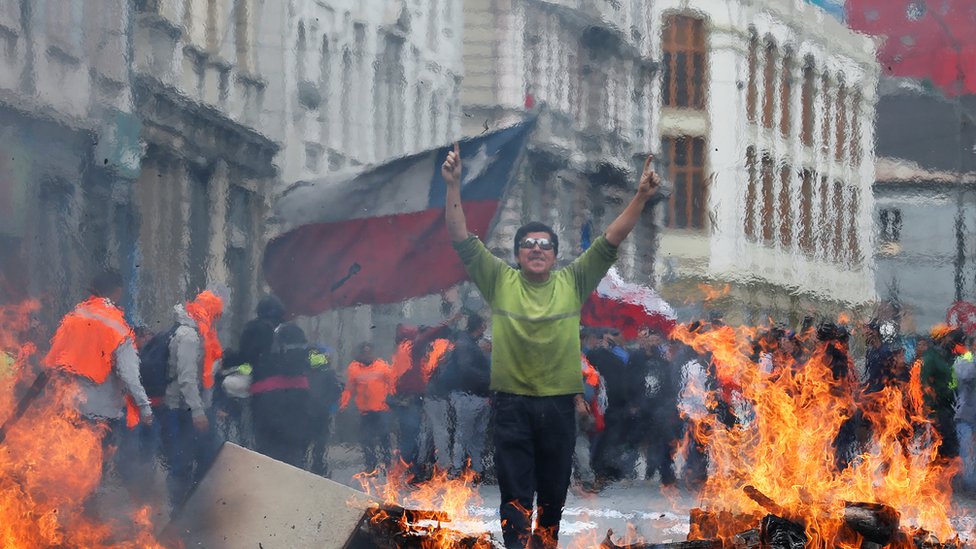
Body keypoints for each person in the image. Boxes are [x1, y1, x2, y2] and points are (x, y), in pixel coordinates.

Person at [442, 143, 659, 548]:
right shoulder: (499, 280)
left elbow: (611, 238)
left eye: (545, 245)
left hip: (559, 406)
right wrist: (453, 185)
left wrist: (641, 197)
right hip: (511, 405)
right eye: (529, 244)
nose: (537, 250)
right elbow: (461, 238)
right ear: (517, 254)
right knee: (515, 493)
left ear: (556, 255)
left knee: (553, 494)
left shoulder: (572, 281)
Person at [44, 271, 154, 495]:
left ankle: (67, 509)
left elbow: (52, 362)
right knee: (93, 474)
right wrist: (144, 407)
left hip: (69, 407)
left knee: (70, 468)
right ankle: (87, 510)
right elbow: (130, 375)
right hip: (100, 414)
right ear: (117, 291)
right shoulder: (117, 326)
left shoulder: (74, 317)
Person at [160, 290, 225, 507]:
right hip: (181, 410)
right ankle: (178, 509)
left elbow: (203, 376)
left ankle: (192, 504)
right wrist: (198, 412)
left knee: (208, 456)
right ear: (209, 312)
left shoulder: (198, 333)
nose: (216, 320)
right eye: (216, 315)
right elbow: (187, 378)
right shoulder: (188, 335)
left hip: (192, 409)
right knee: (182, 462)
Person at [249, 323, 312, 468]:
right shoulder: (303, 367)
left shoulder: (266, 361)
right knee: (294, 459)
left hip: (270, 408)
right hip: (296, 412)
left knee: (269, 458)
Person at [340, 342, 395, 473]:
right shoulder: (354, 369)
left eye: (369, 352)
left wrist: (393, 401)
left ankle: (388, 463)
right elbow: (349, 389)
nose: (367, 355)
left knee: (384, 437)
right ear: (360, 354)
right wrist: (343, 404)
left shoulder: (382, 366)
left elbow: (392, 383)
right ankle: (371, 464)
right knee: (366, 439)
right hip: (365, 411)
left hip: (382, 410)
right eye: (364, 352)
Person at [305, 344, 343, 476]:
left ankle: (316, 467)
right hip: (313, 412)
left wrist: (327, 404)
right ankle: (317, 467)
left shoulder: (326, 373)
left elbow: (336, 391)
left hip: (318, 413)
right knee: (316, 443)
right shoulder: (325, 372)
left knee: (318, 443)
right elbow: (337, 390)